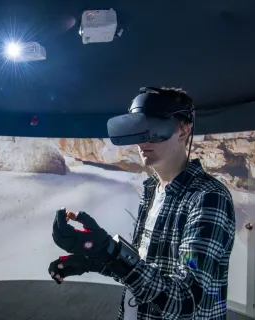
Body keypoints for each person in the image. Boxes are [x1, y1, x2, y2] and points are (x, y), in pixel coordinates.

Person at [49, 87, 236, 320]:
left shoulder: (208, 197)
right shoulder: (150, 190)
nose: (143, 140)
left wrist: (110, 251)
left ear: (184, 130)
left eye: (155, 128)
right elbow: (142, 269)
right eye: (139, 129)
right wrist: (93, 262)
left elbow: (185, 300)